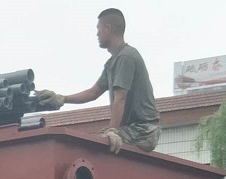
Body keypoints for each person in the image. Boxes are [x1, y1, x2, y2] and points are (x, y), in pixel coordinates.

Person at [36, 8, 161, 154]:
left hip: (144, 130)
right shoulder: (111, 63)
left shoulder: (126, 57)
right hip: (131, 129)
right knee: (98, 141)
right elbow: (92, 93)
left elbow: (120, 98)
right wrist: (62, 98)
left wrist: (113, 131)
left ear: (108, 28)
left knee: (97, 145)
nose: (97, 34)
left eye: (98, 28)